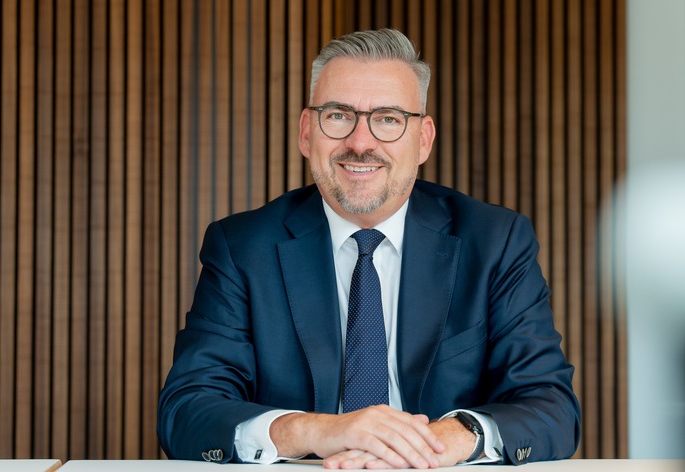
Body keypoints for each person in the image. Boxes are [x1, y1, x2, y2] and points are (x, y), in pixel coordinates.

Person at [157, 28, 580, 468]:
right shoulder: (243, 247)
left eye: (389, 119)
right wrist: (317, 430)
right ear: (306, 132)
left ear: (424, 140)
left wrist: (440, 441)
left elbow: (551, 407)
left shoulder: (495, 241)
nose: (361, 143)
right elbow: (187, 409)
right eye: (338, 115)